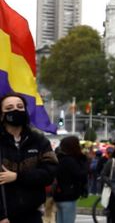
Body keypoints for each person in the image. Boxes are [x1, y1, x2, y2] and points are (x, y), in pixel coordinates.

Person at [1, 94, 57, 223]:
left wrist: (17, 177)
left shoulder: (39, 140)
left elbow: (49, 173)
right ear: (1, 114)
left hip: (32, 215)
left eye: (20, 107)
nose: (15, 110)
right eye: (9, 108)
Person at [52, 136, 88, 223]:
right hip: (69, 195)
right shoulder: (71, 161)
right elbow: (80, 175)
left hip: (58, 194)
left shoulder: (59, 159)